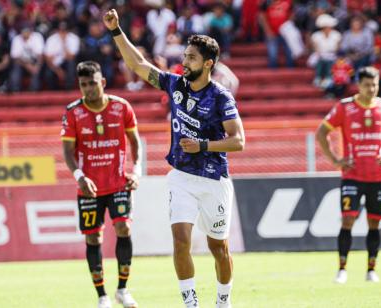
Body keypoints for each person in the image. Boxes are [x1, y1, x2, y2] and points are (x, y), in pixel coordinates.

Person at [104, 9, 245, 308]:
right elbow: (138, 64)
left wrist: (203, 145)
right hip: (181, 177)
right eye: (185, 55)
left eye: (191, 58)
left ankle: (223, 301)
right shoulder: (175, 84)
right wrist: (116, 31)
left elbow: (238, 141)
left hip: (214, 179)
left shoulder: (221, 97)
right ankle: (190, 303)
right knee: (180, 241)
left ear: (208, 63)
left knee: (218, 247)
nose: (184, 61)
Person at [61, 61, 142, 308]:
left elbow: (135, 142)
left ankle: (123, 290)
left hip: (118, 183)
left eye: (92, 83)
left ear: (102, 82)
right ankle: (102, 296)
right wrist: (80, 177)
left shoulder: (121, 107)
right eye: (83, 85)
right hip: (89, 188)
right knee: (93, 238)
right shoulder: (73, 112)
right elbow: (67, 151)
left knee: (124, 230)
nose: (88, 89)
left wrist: (136, 171)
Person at [316, 66, 381, 284]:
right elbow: (321, 132)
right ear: (358, 85)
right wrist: (336, 160)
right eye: (367, 85)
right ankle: (342, 269)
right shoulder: (345, 107)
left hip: (378, 176)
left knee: (375, 223)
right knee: (348, 220)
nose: (372, 89)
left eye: (375, 85)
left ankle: (371, 269)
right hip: (352, 175)